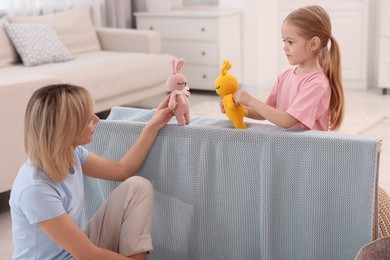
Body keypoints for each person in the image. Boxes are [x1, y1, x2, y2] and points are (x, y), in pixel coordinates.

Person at [9, 84, 174, 259]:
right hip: (78, 255)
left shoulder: (72, 153)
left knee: (137, 187)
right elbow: (87, 254)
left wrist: (153, 125)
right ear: (67, 128)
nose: (97, 120)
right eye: (88, 119)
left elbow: (122, 170)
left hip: (76, 253)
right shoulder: (35, 189)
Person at [225, 5, 344, 131]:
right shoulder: (284, 76)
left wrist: (251, 101)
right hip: (286, 147)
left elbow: (287, 120)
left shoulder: (317, 84)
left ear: (313, 43)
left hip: (308, 149)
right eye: (284, 41)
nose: (285, 47)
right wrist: (237, 108)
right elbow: (265, 112)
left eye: (290, 42)